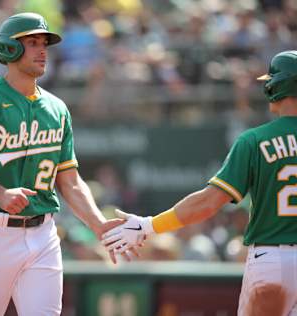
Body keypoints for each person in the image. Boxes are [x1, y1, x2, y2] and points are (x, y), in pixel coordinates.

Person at [0, 12, 135, 316]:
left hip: (44, 232)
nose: (43, 50)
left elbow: (69, 180)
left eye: (45, 43)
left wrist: (97, 223)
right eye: (32, 43)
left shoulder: (57, 108)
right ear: (9, 48)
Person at [103, 50, 297, 316]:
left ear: (276, 86)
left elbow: (208, 203)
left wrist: (148, 225)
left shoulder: (255, 140)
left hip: (273, 261)